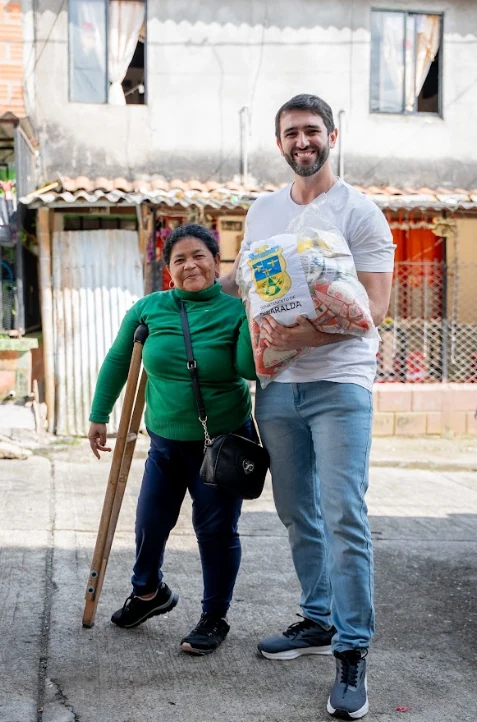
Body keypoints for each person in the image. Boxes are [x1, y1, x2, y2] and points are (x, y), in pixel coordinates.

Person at [221, 94, 395, 719]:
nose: (303, 141)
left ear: (332, 136)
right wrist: (184, 288)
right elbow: (244, 283)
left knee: (344, 512)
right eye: (292, 132)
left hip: (341, 384)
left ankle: (352, 650)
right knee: (297, 512)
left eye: (312, 131)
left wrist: (306, 338)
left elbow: (375, 308)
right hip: (277, 388)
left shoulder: (361, 212)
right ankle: (318, 620)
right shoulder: (263, 210)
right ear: (279, 143)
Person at [88, 223, 257, 655]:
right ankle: (148, 592)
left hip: (221, 444)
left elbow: (247, 370)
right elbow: (118, 359)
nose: (190, 265)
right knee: (150, 521)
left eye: (199, 256)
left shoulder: (236, 310)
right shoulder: (149, 309)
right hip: (165, 442)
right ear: (169, 270)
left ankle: (214, 616)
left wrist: (253, 316)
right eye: (179, 259)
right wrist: (99, 415)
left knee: (215, 529)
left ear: (216, 262)